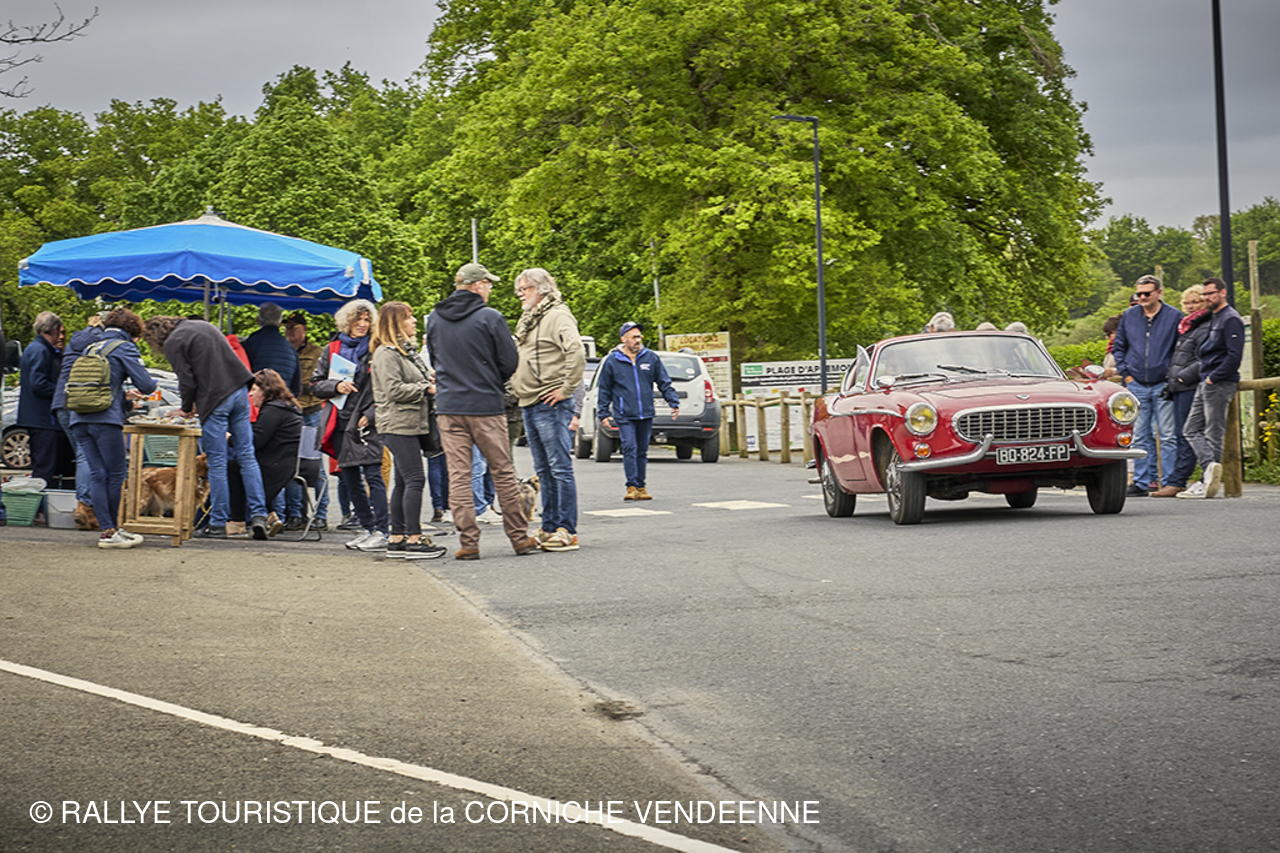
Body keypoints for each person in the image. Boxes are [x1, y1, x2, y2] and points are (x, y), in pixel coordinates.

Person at [425, 262, 539, 560]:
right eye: (488, 284)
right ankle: (519, 537)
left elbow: (435, 359)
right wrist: (490, 380)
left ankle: (468, 542)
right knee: (502, 471)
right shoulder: (490, 317)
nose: (490, 289)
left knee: (459, 475)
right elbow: (509, 361)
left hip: (449, 406)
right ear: (477, 285)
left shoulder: (435, 318)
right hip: (486, 405)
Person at [143, 315, 271, 540]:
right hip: (240, 392)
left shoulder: (174, 341)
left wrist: (186, 408)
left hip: (216, 400)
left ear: (155, 336)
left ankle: (218, 522)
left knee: (217, 463)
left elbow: (186, 380)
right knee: (247, 457)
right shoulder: (205, 326)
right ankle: (259, 515)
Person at [68, 309, 157, 549]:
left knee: (98, 474)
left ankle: (107, 531)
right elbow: (147, 385)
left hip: (79, 417)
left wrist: (123, 401)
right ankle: (111, 531)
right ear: (132, 330)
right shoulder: (124, 347)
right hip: (104, 420)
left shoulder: (90, 347)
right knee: (116, 474)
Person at [512, 267, 585, 552]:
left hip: (550, 402)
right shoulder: (532, 319)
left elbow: (576, 351)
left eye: (525, 289)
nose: (520, 294)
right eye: (519, 289)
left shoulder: (557, 315)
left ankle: (567, 530)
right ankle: (550, 526)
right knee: (543, 469)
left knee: (559, 468)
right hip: (530, 401)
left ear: (542, 289)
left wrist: (566, 389)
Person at [308, 299, 390, 551]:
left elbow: (385, 386)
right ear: (348, 321)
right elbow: (315, 384)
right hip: (341, 420)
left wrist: (372, 413)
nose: (362, 324)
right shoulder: (332, 348)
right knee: (350, 478)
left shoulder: (377, 348)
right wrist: (336, 386)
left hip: (365, 421)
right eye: (358, 319)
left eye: (367, 320)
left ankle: (383, 530)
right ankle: (367, 527)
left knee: (373, 474)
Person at [370, 301, 447, 560]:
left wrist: (428, 380)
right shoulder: (386, 353)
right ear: (395, 323)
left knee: (404, 481)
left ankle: (397, 538)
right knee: (415, 479)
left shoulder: (404, 353)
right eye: (409, 317)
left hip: (409, 423)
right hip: (398, 424)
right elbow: (393, 390)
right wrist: (426, 388)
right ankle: (414, 539)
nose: (414, 321)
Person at [1112, 275, 1183, 497]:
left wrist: (1171, 375)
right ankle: (1141, 482)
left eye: (1147, 293)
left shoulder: (1174, 316)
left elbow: (1180, 350)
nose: (1142, 297)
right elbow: (1119, 347)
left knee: (1168, 435)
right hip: (1136, 384)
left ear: (1158, 293)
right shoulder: (1129, 316)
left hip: (1163, 383)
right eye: (1139, 293)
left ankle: (1169, 482)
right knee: (1139, 435)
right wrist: (1126, 375)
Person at [594, 321, 679, 501]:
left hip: (645, 412)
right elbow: (604, 389)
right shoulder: (612, 361)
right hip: (624, 413)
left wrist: (673, 402)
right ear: (623, 339)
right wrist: (603, 413)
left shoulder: (650, 358)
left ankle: (641, 486)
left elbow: (663, 382)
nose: (638, 340)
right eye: (633, 337)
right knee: (630, 447)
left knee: (641, 450)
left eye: (639, 336)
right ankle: (631, 486)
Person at [1178, 277, 1245, 500]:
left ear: (1223, 292)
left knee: (1214, 432)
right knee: (1190, 429)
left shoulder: (1230, 318)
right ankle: (1209, 470)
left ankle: (1207, 481)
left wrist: (1213, 378)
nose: (1207, 297)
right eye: (1205, 294)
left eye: (1211, 293)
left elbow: (1234, 355)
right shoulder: (1215, 317)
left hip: (1218, 382)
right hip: (1205, 380)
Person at [1152, 286, 1210, 497]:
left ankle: (1178, 481)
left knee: (1188, 433)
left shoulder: (1206, 325)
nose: (1191, 306)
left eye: (1195, 302)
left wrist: (1182, 376)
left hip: (1190, 385)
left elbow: (1206, 357)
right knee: (1180, 433)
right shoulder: (1187, 325)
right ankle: (1179, 480)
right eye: (1187, 303)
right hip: (1179, 386)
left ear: (1204, 302)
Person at [227, 369, 302, 530]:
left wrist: (230, 438)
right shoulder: (286, 407)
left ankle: (237, 521)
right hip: (287, 463)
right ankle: (270, 515)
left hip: (276, 466)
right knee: (244, 466)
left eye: (254, 389)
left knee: (232, 468)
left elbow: (256, 441)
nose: (250, 394)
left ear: (266, 391)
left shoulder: (273, 410)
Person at [52, 318, 106, 528]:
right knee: (87, 454)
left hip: (61, 401)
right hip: (80, 401)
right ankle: (84, 505)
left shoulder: (74, 342)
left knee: (82, 453)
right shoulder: (101, 343)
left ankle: (87, 511)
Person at [283, 312, 327, 530]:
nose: (289, 331)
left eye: (294, 327)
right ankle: (295, 513)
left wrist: (294, 389)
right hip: (290, 413)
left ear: (304, 329)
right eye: (287, 327)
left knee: (314, 465)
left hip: (310, 412)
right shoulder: (283, 350)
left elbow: (318, 383)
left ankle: (321, 514)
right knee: (292, 465)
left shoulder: (317, 352)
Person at [17, 311, 72, 486]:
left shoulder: (38, 349)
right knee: (45, 469)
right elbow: (38, 384)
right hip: (43, 419)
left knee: (48, 467)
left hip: (40, 419)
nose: (61, 336)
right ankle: (42, 502)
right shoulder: (41, 350)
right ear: (53, 330)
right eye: (59, 331)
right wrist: (64, 391)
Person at [241, 302, 300, 396]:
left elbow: (241, 378)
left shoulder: (249, 344)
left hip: (257, 400)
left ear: (258, 320)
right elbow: (296, 388)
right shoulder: (291, 350)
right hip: (282, 401)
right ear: (280, 324)